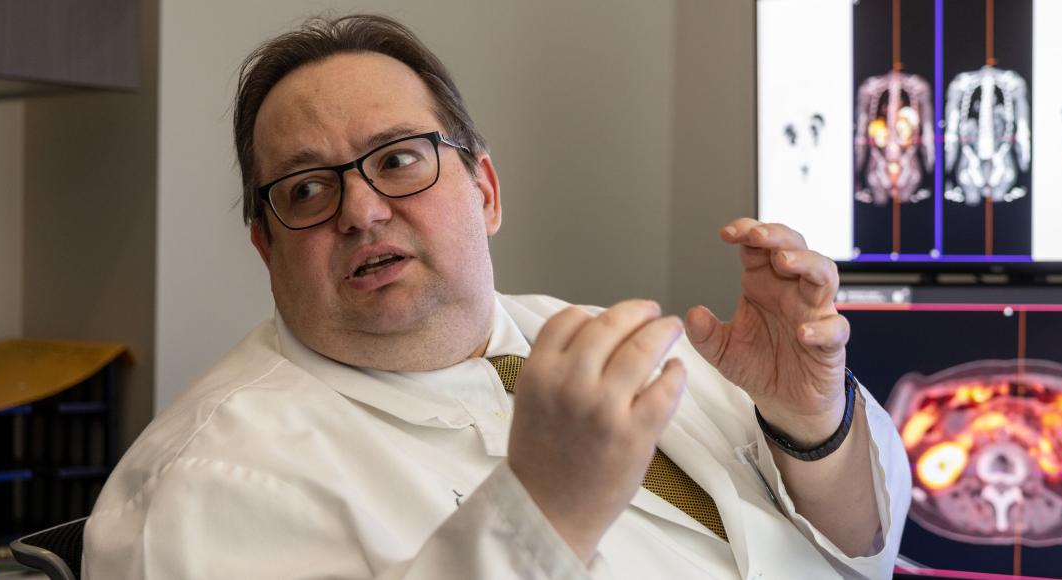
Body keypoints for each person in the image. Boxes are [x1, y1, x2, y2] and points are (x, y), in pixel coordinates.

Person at [84, 14, 910, 579]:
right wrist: (541, 514)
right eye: (306, 190)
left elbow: (859, 548)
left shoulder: (594, 342)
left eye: (399, 159)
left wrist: (810, 426)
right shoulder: (202, 488)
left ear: (484, 191)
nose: (362, 211)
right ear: (266, 247)